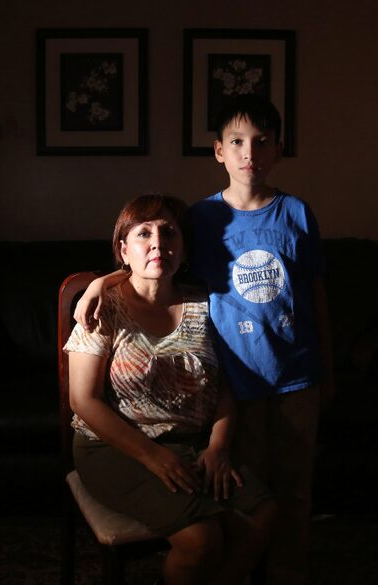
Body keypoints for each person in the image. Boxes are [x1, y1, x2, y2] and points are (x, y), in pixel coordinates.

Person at [75, 95, 335, 584]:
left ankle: (286, 572)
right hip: (239, 379)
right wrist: (98, 282)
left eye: (261, 142)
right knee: (247, 488)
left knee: (294, 491)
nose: (249, 152)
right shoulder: (202, 218)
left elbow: (316, 294)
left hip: (298, 376)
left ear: (278, 150)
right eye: (236, 141)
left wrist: (328, 369)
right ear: (219, 151)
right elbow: (149, 256)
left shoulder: (297, 214)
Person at [65, 193, 277, 585]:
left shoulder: (207, 304)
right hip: (113, 447)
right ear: (123, 250)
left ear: (184, 248)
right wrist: (153, 457)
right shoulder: (103, 307)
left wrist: (218, 447)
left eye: (169, 233)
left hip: (193, 442)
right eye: (143, 233)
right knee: (201, 538)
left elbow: (226, 387)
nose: (158, 243)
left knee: (263, 515)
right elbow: (83, 401)